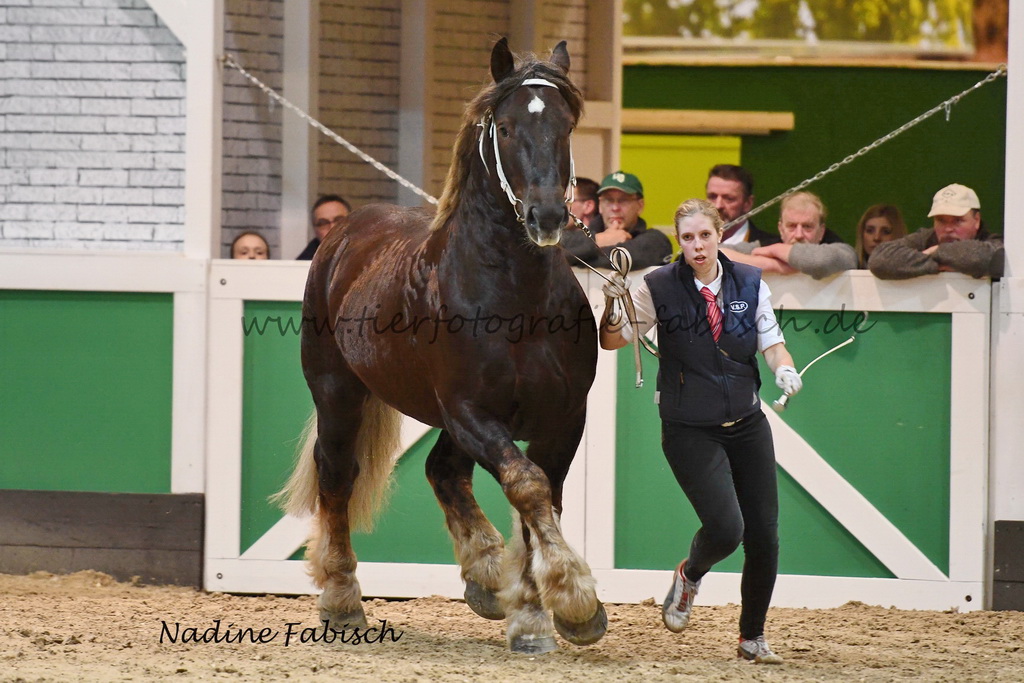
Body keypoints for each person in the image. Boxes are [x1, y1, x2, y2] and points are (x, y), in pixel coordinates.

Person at [599, 198, 801, 665]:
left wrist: (785, 369)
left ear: (719, 235)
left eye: (704, 235)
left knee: (765, 536)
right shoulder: (658, 286)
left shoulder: (750, 282)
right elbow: (613, 340)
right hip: (689, 427)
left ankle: (752, 637)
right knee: (727, 530)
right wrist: (612, 303)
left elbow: (772, 343)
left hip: (747, 422)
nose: (697, 245)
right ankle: (690, 575)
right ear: (679, 241)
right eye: (687, 238)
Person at [869, 184, 1004, 279]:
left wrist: (935, 251)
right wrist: (938, 264)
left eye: (958, 220)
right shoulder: (927, 237)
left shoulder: (993, 242)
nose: (948, 228)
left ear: (977, 220)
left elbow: (982, 258)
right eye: (941, 220)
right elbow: (879, 260)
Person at [722, 191, 857, 279]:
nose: (798, 235)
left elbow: (819, 263)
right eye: (792, 226)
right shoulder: (765, 245)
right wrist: (771, 265)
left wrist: (775, 250)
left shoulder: (842, 251)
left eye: (807, 227)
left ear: (821, 231)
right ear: (781, 229)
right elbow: (716, 254)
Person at [561, 171, 672, 270]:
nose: (615, 208)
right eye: (608, 200)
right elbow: (553, 252)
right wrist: (600, 240)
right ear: (600, 205)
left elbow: (624, 259)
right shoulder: (577, 235)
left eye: (624, 200)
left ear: (640, 206)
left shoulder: (656, 240)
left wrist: (575, 257)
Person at [705, 164, 780, 248]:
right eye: (712, 197)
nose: (718, 206)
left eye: (729, 199)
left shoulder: (770, 246)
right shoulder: (693, 242)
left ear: (747, 203)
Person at [297, 194, 351, 260]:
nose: (332, 227)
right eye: (323, 223)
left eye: (339, 220)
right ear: (315, 229)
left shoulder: (363, 252)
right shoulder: (304, 263)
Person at [854, 204, 906, 269]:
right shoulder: (849, 269)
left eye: (885, 232)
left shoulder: (911, 270)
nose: (877, 238)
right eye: (870, 231)